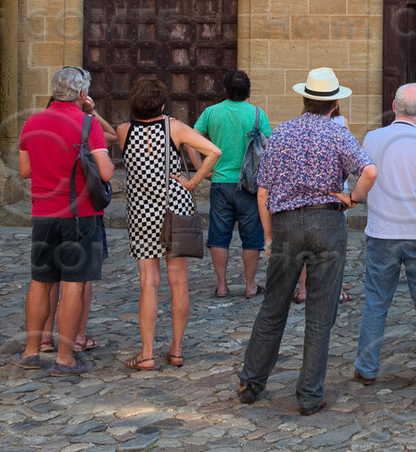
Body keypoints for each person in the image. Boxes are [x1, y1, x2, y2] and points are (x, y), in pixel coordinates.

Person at [238, 67, 378, 415]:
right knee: (320, 313)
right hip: (327, 222)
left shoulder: (281, 133)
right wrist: (354, 199)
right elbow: (370, 171)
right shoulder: (337, 135)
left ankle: (251, 382)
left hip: (286, 224)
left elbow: (263, 191)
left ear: (304, 99)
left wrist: (269, 236)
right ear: (333, 105)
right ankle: (309, 394)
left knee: (273, 306)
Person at [14, 66, 114, 376]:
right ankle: (65, 357)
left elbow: (26, 171)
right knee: (73, 284)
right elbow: (107, 172)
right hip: (80, 215)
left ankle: (31, 351)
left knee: (40, 282)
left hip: (43, 213)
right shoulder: (87, 124)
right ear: (82, 94)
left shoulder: (33, 122)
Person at [118, 78, 220, 371]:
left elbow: (111, 135)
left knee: (148, 282)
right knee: (179, 282)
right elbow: (214, 151)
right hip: (175, 208)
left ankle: (147, 353)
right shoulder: (173, 127)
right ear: (162, 104)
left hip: (141, 213)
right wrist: (193, 183)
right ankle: (176, 349)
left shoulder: (125, 131)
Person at [353, 83, 416, 387]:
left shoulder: (373, 139)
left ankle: (367, 366)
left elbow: (361, 174)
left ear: (394, 105)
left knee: (376, 301)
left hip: (382, 231)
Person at [191, 70, 270, 299]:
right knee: (252, 237)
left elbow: (191, 140)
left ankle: (222, 286)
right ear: (247, 90)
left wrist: (201, 168)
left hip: (219, 183)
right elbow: (269, 147)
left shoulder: (211, 112)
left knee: (219, 235)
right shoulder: (257, 113)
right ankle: (250, 285)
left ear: (225, 88)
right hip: (249, 186)